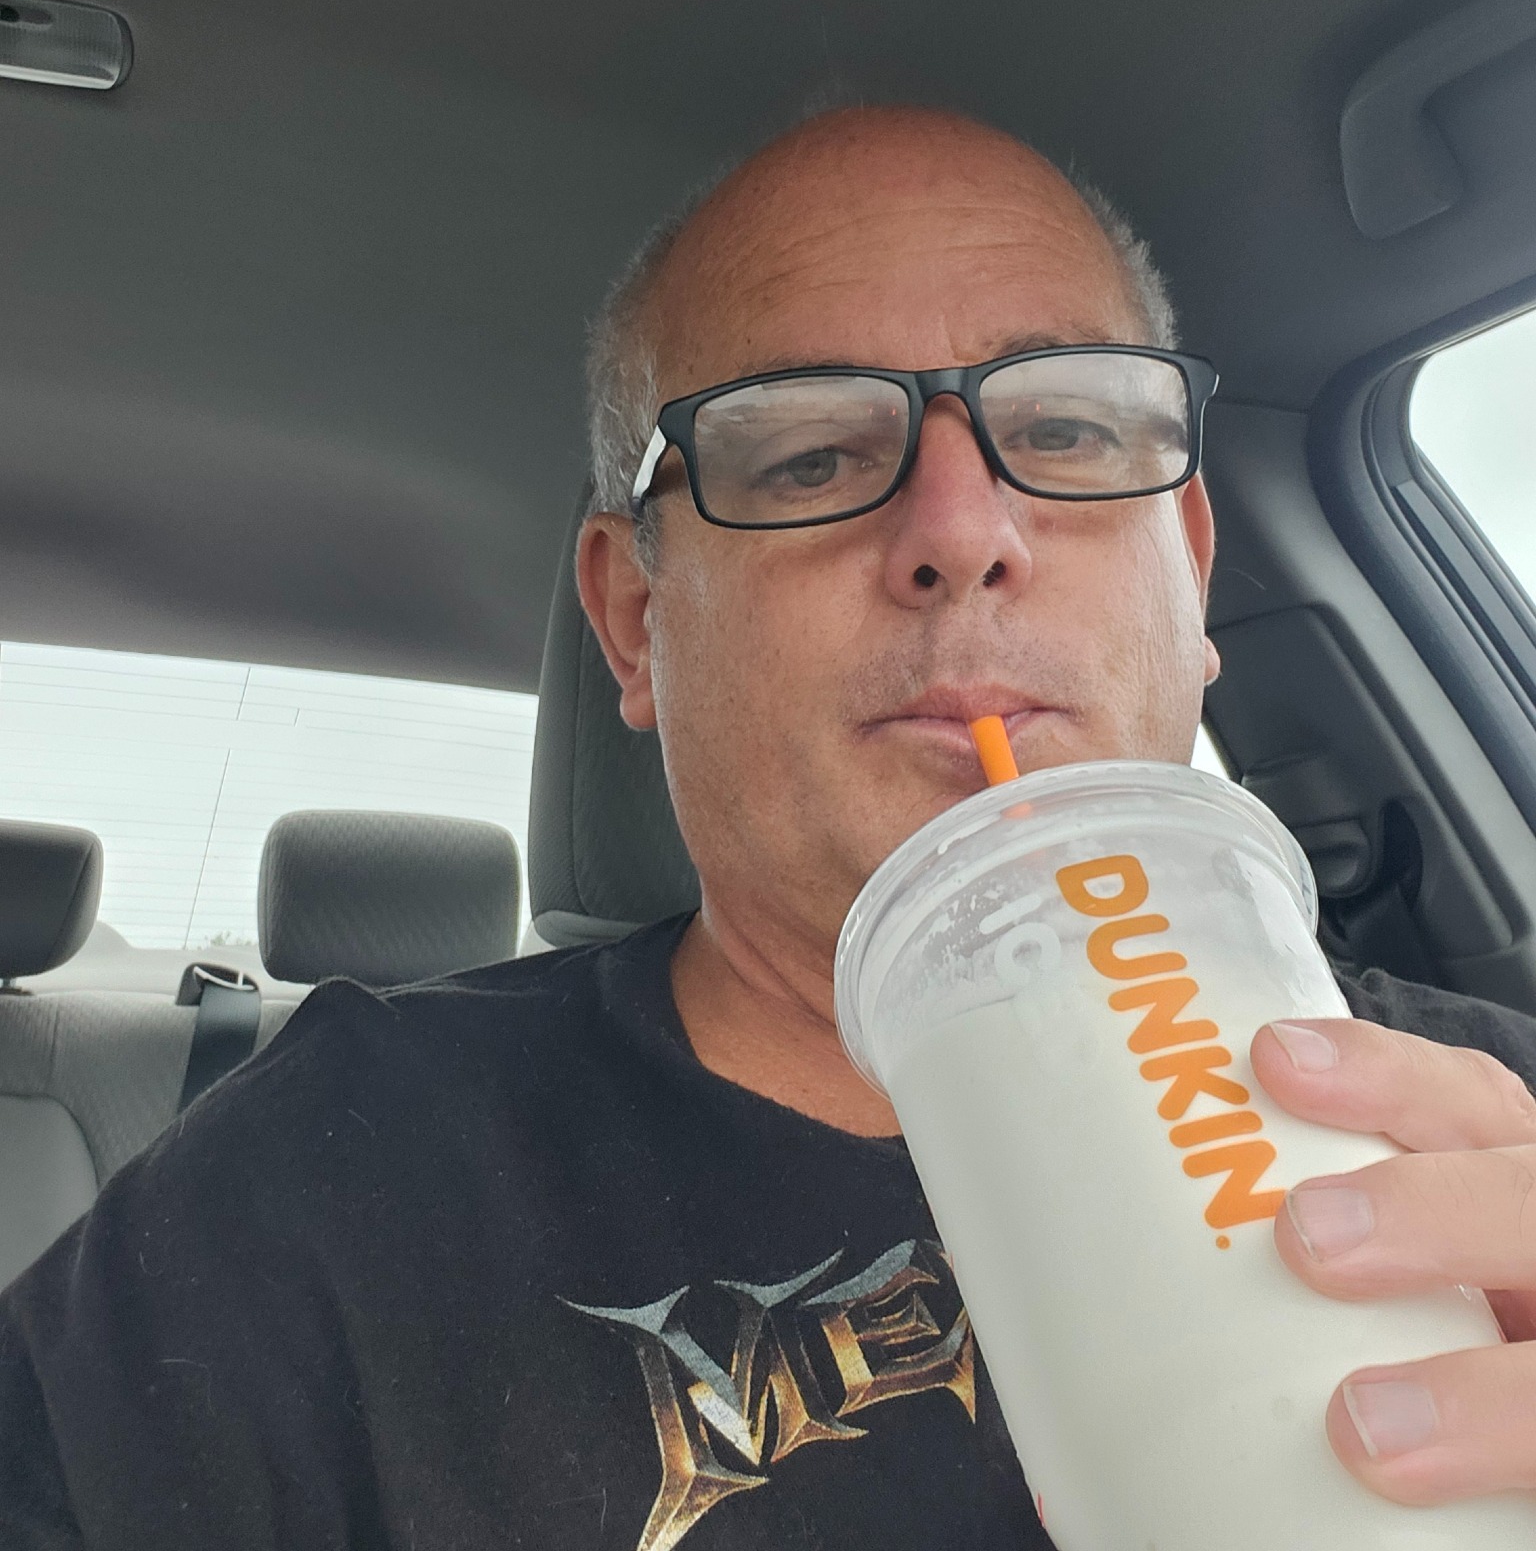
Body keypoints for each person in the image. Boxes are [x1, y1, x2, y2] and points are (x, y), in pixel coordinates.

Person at [4, 105, 1536, 1550]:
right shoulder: (323, 1191)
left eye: (1069, 429)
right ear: (634, 620)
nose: (961, 531)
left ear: (1190, 570)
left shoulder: (1493, 1124)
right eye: (808, 456)